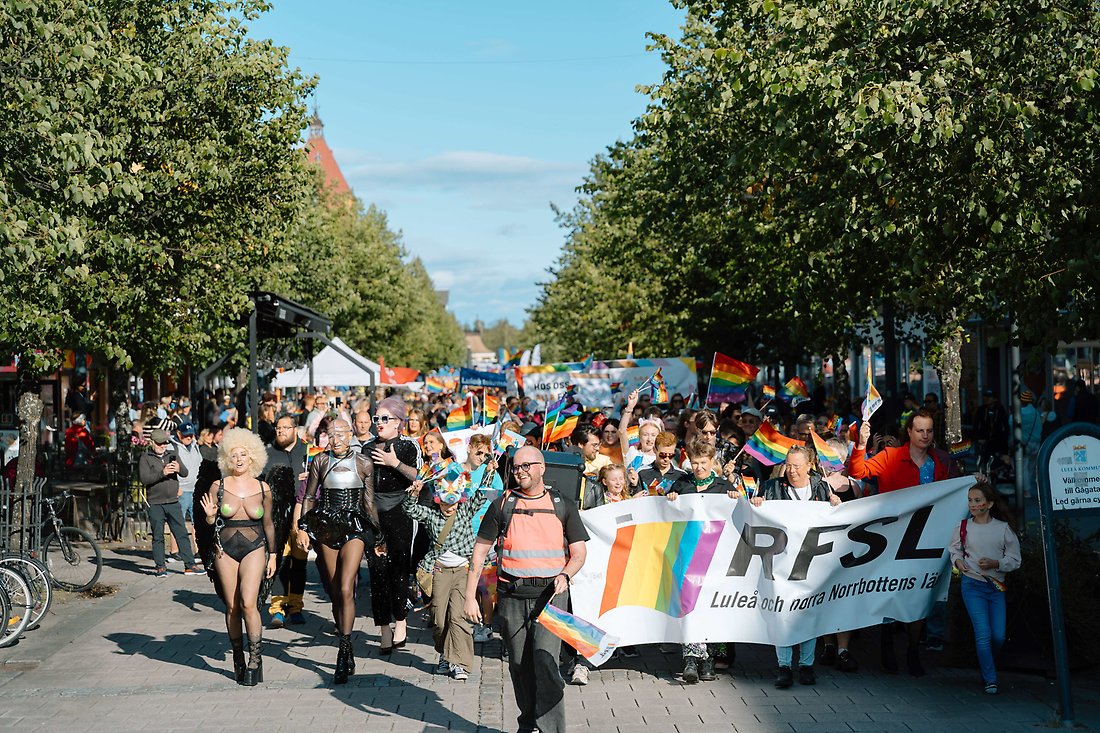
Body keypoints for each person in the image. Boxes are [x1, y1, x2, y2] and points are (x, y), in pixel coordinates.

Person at [464, 446, 589, 733]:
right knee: (520, 667)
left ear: (542, 468)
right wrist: (470, 597)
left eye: (526, 466)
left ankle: (551, 729)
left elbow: (579, 553)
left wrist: (565, 575)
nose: (520, 471)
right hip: (511, 597)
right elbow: (479, 553)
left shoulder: (563, 504)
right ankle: (528, 721)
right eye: (516, 467)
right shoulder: (503, 505)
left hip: (551, 599)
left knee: (545, 663)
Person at [848, 409, 961, 676]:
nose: (925, 435)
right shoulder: (890, 457)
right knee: (890, 591)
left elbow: (958, 490)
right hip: (893, 538)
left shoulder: (941, 460)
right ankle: (887, 645)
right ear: (908, 432)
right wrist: (861, 444)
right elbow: (858, 470)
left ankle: (912, 650)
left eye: (929, 430)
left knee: (919, 593)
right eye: (920, 430)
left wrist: (975, 482)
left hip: (928, 537)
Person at [299, 418, 381, 684]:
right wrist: (303, 526)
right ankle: (345, 641)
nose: (336, 439)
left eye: (341, 434)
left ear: (351, 435)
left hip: (355, 524)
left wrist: (377, 534)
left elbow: (369, 500)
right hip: (326, 524)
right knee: (334, 589)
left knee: (347, 587)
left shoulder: (363, 462)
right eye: (331, 435)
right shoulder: (320, 461)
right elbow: (310, 496)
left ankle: (344, 649)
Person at [751, 445, 840, 688]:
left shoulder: (822, 488)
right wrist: (758, 502)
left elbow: (838, 517)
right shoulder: (772, 488)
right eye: (788, 465)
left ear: (810, 466)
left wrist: (835, 504)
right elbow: (755, 513)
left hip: (812, 562)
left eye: (796, 466)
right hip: (781, 563)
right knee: (783, 613)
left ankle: (806, 665)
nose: (790, 470)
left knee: (808, 612)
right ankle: (784, 666)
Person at [197, 429, 276, 685]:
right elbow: (211, 522)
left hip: (255, 546)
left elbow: (269, 524)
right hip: (224, 548)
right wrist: (209, 516)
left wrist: (273, 555)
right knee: (231, 606)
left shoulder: (263, 488)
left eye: (244, 454)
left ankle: (256, 659)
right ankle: (238, 659)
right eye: (234, 455)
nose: (239, 459)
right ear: (226, 458)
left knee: (248, 604)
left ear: (252, 456)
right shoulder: (218, 486)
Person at [402, 469, 489, 682]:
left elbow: (481, 494)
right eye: (444, 503)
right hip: (439, 571)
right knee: (439, 619)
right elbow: (409, 509)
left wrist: (488, 470)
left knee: (457, 617)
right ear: (437, 500)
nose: (448, 507)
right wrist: (414, 491)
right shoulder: (431, 514)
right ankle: (444, 654)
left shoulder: (465, 511)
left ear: (459, 500)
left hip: (462, 571)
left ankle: (459, 663)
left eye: (452, 503)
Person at [668, 439, 744, 682]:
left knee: (712, 607)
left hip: (714, 557)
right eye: (694, 462)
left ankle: (709, 658)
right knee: (688, 606)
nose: (698, 467)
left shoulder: (723, 487)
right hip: (687, 556)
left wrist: (736, 498)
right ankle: (690, 658)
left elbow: (740, 517)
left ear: (712, 462)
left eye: (703, 462)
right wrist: (670, 499)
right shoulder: (682, 484)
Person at [948, 482, 1021, 695]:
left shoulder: (1003, 529)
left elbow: (1015, 559)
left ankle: (985, 663)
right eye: (970, 500)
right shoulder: (963, 527)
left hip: (997, 587)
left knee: (998, 636)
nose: (972, 504)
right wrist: (958, 562)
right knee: (983, 633)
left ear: (989, 504)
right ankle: (990, 678)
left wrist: (996, 564)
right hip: (972, 584)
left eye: (977, 500)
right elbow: (955, 550)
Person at [364, 397, 423, 654]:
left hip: (400, 510)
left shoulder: (408, 446)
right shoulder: (366, 448)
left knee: (399, 567)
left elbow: (421, 475)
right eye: (377, 418)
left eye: (385, 418)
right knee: (377, 571)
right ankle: (384, 628)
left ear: (399, 422)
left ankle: (401, 621)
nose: (379, 423)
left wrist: (394, 463)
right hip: (372, 511)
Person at [138, 428, 203, 578]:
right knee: (158, 536)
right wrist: (163, 473)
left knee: (181, 534)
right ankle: (160, 567)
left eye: (165, 443)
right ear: (152, 443)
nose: (162, 446)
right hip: (156, 502)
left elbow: (185, 473)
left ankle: (190, 565)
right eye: (160, 443)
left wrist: (179, 468)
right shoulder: (145, 458)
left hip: (173, 501)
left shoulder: (172, 455)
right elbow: (145, 479)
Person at [265, 413, 309, 627]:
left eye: (285, 427)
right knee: (280, 562)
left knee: (299, 563)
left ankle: (296, 606)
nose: (280, 431)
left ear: (295, 430)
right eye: (278, 427)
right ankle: (277, 608)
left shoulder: (308, 451)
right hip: (277, 516)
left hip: (302, 517)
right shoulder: (268, 453)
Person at [172, 421, 203, 562]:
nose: (189, 438)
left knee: (197, 521)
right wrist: (176, 486)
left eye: (191, 435)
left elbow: (199, 464)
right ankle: (175, 550)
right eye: (186, 436)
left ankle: (198, 550)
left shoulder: (195, 447)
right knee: (178, 521)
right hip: (182, 489)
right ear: (179, 434)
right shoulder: (173, 447)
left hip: (195, 489)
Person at [635, 431, 686, 496]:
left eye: (671, 455)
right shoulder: (642, 472)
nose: (666, 459)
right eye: (662, 455)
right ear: (654, 450)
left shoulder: (682, 475)